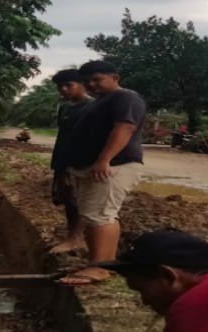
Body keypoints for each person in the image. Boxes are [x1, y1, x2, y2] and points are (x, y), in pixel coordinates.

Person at [58, 60, 146, 286]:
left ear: (115, 77)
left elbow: (125, 128)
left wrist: (104, 159)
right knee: (93, 215)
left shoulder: (125, 97)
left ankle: (100, 268)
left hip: (114, 165)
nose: (92, 85)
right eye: (87, 82)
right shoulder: (99, 102)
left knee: (101, 215)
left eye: (97, 79)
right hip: (93, 167)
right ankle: (99, 263)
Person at [48, 68, 93, 254]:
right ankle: (73, 236)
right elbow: (63, 136)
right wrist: (59, 166)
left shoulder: (93, 107)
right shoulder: (65, 107)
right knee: (67, 199)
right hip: (63, 160)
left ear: (82, 85)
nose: (64, 89)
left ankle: (77, 238)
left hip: (82, 162)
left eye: (69, 85)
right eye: (60, 86)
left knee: (80, 201)